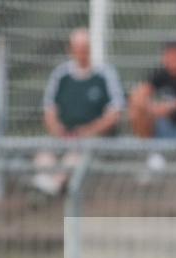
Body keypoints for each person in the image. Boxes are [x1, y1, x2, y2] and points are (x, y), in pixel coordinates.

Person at [33, 28, 125, 196]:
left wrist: (88, 131)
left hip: (92, 138)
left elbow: (115, 113)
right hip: (64, 135)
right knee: (44, 155)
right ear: (70, 49)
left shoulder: (105, 74)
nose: (81, 53)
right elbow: (49, 110)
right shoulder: (61, 75)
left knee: (74, 157)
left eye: (85, 48)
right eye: (77, 48)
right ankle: (50, 188)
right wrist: (58, 131)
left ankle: (53, 188)